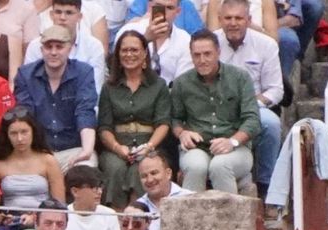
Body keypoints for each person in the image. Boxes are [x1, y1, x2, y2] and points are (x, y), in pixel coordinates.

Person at [170, 30, 258, 194]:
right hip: (198, 146)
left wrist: (232, 142)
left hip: (236, 147)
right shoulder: (181, 83)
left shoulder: (240, 78)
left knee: (220, 165)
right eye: (196, 55)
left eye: (207, 54)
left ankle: (230, 217)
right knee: (195, 166)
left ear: (218, 52)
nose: (202, 60)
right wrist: (182, 133)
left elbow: (252, 120)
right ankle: (191, 217)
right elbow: (175, 119)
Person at [216, 0, 282, 198]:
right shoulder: (210, 43)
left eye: (238, 18)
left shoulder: (266, 44)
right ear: (219, 20)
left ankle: (266, 186)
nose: (233, 23)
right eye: (228, 18)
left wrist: (249, 104)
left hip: (254, 105)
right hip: (216, 106)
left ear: (249, 20)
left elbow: (275, 90)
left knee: (271, 124)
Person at [97, 30, 170, 207]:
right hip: (117, 145)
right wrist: (117, 147)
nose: (129, 54)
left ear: (145, 53)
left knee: (142, 167)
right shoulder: (109, 87)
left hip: (149, 144)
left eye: (134, 50)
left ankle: (141, 215)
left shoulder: (158, 85)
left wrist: (149, 147)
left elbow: (163, 123)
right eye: (124, 50)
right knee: (115, 168)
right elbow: (104, 127)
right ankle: (118, 217)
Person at [12, 25, 97, 169]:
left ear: (69, 49)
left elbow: (85, 111)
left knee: (85, 172)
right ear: (41, 50)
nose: (53, 52)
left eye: (59, 47)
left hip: (73, 149)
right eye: (48, 47)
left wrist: (87, 150)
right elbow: (25, 116)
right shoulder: (25, 75)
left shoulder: (84, 72)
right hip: (38, 151)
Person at [0, 106, 64, 230]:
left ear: (33, 131)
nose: (20, 138)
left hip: (43, 222)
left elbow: (59, 204)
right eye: (14, 133)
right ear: (7, 136)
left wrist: (35, 217)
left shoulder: (48, 161)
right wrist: (1, 218)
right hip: (9, 223)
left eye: (24, 132)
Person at [23, 0, 105, 96]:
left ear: (80, 17)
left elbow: (94, 90)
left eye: (69, 13)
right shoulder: (36, 46)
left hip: (81, 106)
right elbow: (28, 85)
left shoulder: (94, 47)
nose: (62, 17)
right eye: (58, 12)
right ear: (51, 15)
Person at [117, 0, 191, 84]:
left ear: (178, 12)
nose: (164, 13)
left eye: (170, 8)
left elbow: (182, 85)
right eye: (159, 6)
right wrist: (145, 40)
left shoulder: (185, 40)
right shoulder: (128, 31)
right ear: (149, 7)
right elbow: (118, 70)